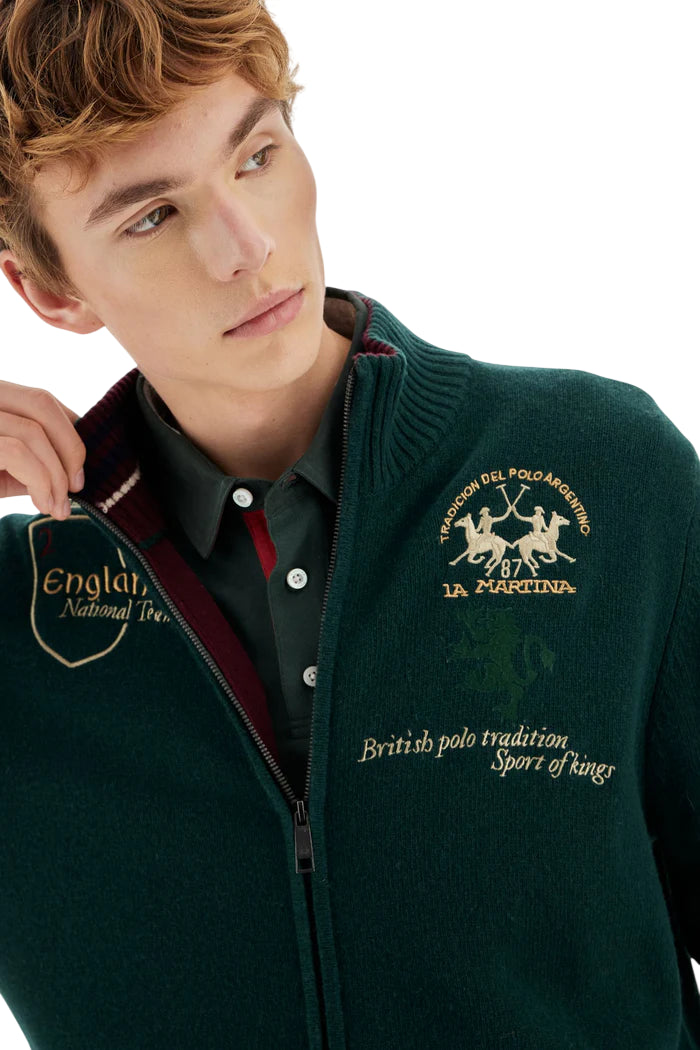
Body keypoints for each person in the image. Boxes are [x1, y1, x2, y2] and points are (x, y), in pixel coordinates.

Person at [0, 3, 698, 1049]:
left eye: (257, 156)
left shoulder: (604, 473)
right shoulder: (15, 620)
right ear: (52, 292)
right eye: (151, 217)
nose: (247, 246)